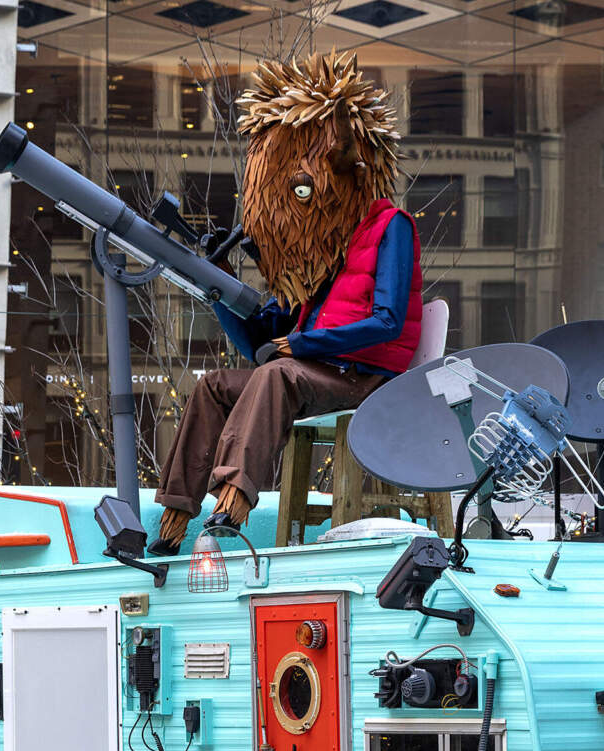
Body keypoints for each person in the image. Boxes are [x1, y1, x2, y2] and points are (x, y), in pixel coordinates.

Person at [147, 53, 422, 555]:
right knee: (214, 385)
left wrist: (300, 343)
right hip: (312, 370)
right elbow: (261, 340)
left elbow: (386, 323)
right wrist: (220, 287)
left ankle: (233, 502)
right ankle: (173, 515)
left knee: (277, 375)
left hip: (363, 379)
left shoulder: (392, 227)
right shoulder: (322, 251)